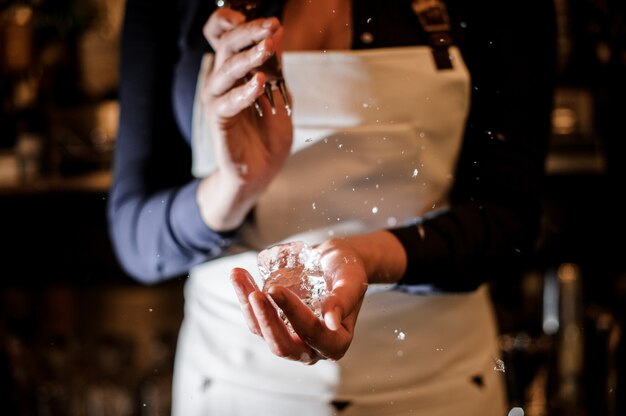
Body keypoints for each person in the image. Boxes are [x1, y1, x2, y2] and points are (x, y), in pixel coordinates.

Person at [107, 0, 556, 414]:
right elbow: (136, 241)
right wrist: (237, 183)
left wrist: (370, 257)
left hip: (438, 384)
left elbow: (511, 219)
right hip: (232, 388)